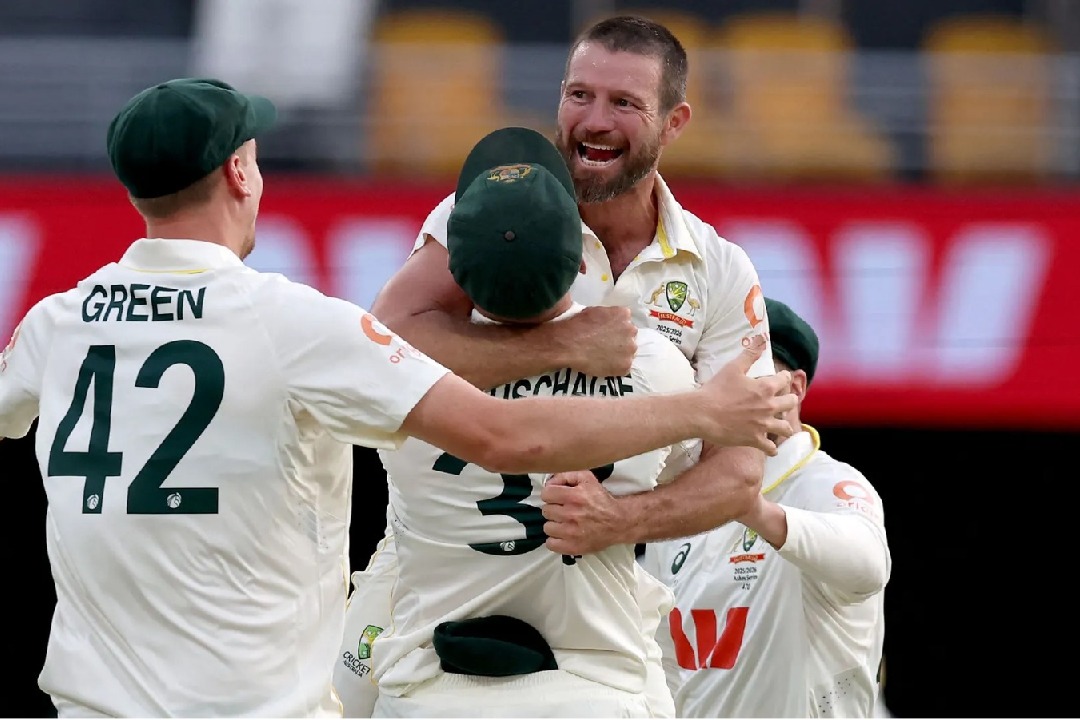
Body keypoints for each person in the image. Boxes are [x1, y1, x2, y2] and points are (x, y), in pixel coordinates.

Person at [0, 78, 797, 718]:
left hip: (93, 703)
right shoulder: (301, 327)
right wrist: (700, 409)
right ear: (240, 173)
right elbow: (507, 435)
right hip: (257, 704)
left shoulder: (54, 323)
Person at [338, 16, 778, 717]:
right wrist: (561, 347)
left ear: (675, 121)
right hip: (431, 579)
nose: (593, 122)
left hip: (607, 590)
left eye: (624, 104)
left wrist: (619, 518)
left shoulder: (720, 269)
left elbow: (741, 471)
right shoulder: (493, 209)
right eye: (579, 95)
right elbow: (382, 340)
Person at [372, 127, 701, 718]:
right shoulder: (657, 368)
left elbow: (388, 335)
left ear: (458, 273)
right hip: (595, 691)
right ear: (579, 258)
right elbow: (677, 469)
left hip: (430, 693)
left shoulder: (401, 383)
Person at [641, 297, 891, 718]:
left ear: (793, 389)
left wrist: (752, 508)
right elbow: (662, 664)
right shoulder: (684, 497)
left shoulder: (827, 485)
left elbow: (868, 566)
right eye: (706, 375)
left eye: (745, 375)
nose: (721, 394)